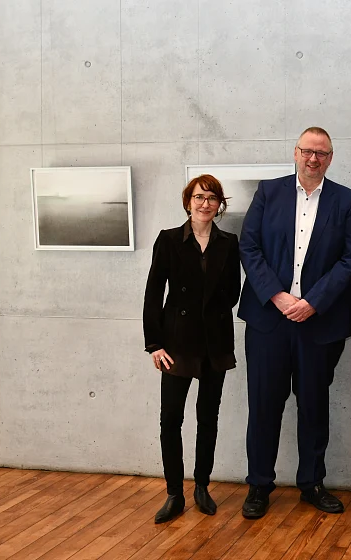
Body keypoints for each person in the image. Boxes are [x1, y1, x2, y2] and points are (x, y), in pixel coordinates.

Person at [238, 126, 351, 518]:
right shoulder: (268, 191)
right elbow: (249, 245)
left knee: (314, 406)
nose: (314, 159)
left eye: (322, 153)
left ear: (331, 157)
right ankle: (259, 485)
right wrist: (278, 296)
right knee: (263, 405)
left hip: (319, 322)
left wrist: (311, 302)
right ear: (295, 153)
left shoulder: (347, 200)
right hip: (268, 320)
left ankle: (311, 483)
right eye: (308, 151)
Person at [142, 174, 241, 524]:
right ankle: (173, 493)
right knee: (170, 418)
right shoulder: (169, 240)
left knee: (207, 418)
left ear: (219, 205)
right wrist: (154, 344)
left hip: (214, 343)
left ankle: (201, 486)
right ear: (188, 201)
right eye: (199, 197)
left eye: (212, 198)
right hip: (176, 343)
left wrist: (209, 309)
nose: (205, 203)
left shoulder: (229, 242)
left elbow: (233, 293)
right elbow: (154, 293)